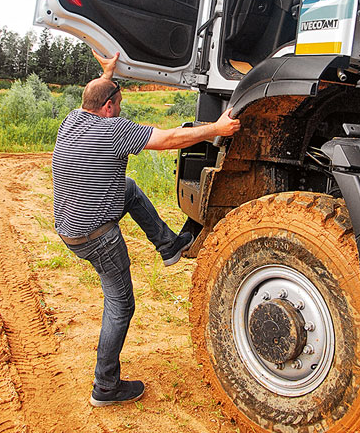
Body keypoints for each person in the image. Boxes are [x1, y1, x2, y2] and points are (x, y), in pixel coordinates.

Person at [52, 50, 240, 408]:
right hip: (96, 237)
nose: (121, 108)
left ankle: (168, 245)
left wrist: (107, 72)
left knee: (129, 188)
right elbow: (168, 139)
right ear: (108, 107)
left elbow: (93, 92)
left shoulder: (72, 120)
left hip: (69, 225)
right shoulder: (114, 129)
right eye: (118, 103)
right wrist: (216, 130)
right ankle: (105, 386)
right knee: (120, 305)